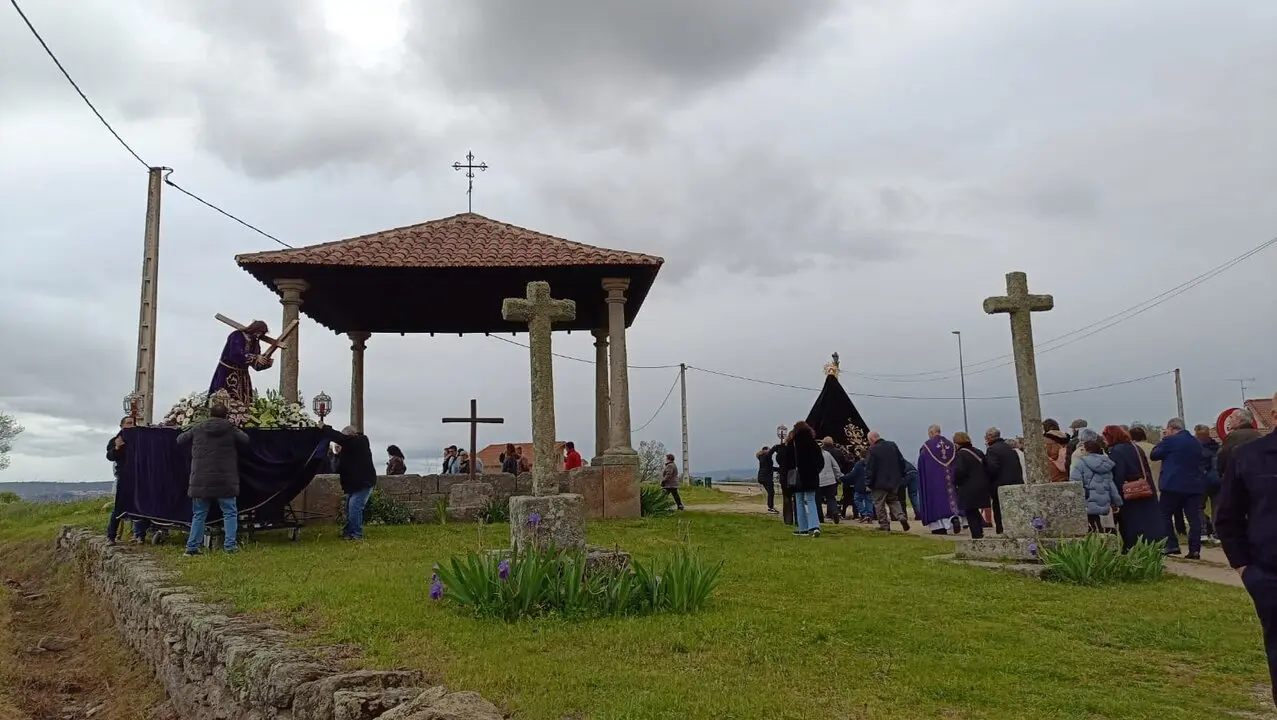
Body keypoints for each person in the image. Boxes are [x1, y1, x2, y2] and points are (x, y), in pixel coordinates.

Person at [1216, 392, 1277, 707]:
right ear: (1274, 415)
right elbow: (1227, 517)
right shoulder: (1248, 457)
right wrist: (1245, 568)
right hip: (1270, 576)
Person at [176, 404, 249, 556]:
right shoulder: (230, 428)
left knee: (199, 514)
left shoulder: (198, 427)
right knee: (229, 512)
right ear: (226, 415)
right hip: (225, 479)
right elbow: (246, 440)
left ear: (209, 414)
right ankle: (230, 546)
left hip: (201, 480)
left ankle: (191, 548)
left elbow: (180, 439)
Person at [1102, 425, 1167, 551]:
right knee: (1147, 521)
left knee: (1130, 524)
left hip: (1128, 492)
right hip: (1143, 489)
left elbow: (1118, 473)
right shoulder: (1135, 447)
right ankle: (1152, 547)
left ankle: (1132, 549)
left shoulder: (1116, 451)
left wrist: (1114, 495)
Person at [1151, 417, 1206, 559]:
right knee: (1194, 518)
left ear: (1171, 428)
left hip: (1172, 485)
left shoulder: (1169, 441)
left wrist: (1163, 439)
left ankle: (1171, 544)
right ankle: (1195, 549)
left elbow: (1154, 455)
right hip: (1193, 485)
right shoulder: (1196, 442)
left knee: (1164, 515)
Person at [321, 422, 377, 541]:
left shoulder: (361, 441)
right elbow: (336, 469)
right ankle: (348, 533)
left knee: (354, 508)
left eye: (345, 437)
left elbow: (341, 439)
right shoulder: (348, 449)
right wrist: (336, 455)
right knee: (349, 508)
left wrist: (325, 428)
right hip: (352, 484)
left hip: (363, 482)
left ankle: (356, 534)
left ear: (351, 435)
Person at [207, 320, 273, 418]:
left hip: (243, 376)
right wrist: (255, 357)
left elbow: (255, 364)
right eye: (258, 332)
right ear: (254, 329)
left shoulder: (255, 342)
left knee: (244, 402)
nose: (258, 335)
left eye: (261, 334)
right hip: (227, 373)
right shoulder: (236, 335)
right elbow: (236, 354)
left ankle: (242, 418)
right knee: (223, 398)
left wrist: (264, 361)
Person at [105, 415, 151, 545]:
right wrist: (117, 447)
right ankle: (111, 536)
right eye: (128, 423)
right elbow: (110, 456)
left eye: (133, 423)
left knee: (141, 505)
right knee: (119, 508)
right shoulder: (115, 440)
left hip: (140, 477)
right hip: (124, 477)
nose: (131, 426)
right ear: (122, 426)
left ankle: (140, 535)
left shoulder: (140, 440)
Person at [917, 425, 961, 535]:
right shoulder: (951, 446)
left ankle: (939, 527)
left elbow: (923, 464)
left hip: (934, 481)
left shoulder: (926, 447)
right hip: (950, 479)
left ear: (931, 432)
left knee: (937, 502)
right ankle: (954, 518)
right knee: (951, 500)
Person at [1071, 439, 1122, 533]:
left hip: (1087, 501)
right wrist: (1117, 502)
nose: (1081, 451)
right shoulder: (1106, 464)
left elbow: (1075, 484)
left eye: (1082, 449)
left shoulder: (1080, 464)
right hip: (1104, 502)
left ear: (1087, 450)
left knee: (1090, 531)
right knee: (1102, 528)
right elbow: (1111, 484)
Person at [865, 431, 910, 532]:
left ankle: (884, 525)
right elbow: (901, 461)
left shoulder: (873, 450)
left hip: (879, 483)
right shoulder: (892, 445)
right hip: (894, 481)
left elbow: (870, 468)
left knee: (879, 504)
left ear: (871, 440)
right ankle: (901, 517)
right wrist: (902, 475)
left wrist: (868, 483)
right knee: (894, 500)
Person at [984, 427, 1024, 535]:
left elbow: (992, 468)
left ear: (990, 437)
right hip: (1015, 483)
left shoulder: (992, 450)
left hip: (999, 485)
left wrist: (988, 480)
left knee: (999, 510)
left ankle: (1001, 531)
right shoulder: (1009, 448)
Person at [952, 432, 991, 539]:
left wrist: (955, 481)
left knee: (970, 511)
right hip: (982, 484)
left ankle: (976, 534)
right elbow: (986, 467)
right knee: (975, 510)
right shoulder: (978, 452)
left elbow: (960, 471)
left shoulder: (961, 454)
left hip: (968, 486)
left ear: (956, 442)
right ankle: (980, 531)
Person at [788, 422, 825, 536]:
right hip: (811, 476)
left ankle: (803, 528)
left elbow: (788, 462)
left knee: (798, 501)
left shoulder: (792, 443)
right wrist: (815, 471)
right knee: (811, 501)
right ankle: (814, 526)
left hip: (797, 476)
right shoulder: (814, 444)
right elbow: (821, 462)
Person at [1195, 424, 1222, 541]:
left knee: (1199, 507)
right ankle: (1218, 534)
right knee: (1216, 507)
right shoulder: (1216, 446)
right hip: (1217, 480)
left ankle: (1203, 532)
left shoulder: (1196, 448)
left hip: (1201, 480)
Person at [818, 440, 842, 524]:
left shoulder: (812, 455)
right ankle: (835, 511)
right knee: (831, 498)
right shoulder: (827, 454)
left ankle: (820, 518)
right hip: (830, 480)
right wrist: (838, 476)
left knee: (817, 500)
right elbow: (835, 466)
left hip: (819, 481)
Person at [755, 445, 779, 513]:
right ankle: (771, 507)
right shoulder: (767, 457)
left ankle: (770, 506)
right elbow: (770, 467)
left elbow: (769, 467)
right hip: (766, 477)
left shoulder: (761, 457)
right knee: (771, 492)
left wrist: (778, 469)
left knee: (770, 492)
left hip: (761, 477)